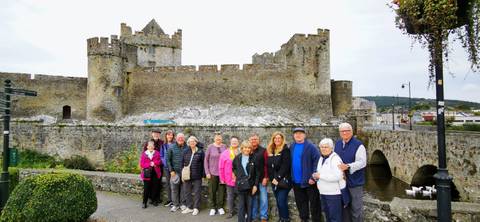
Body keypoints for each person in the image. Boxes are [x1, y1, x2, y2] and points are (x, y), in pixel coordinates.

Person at [334, 123, 366, 222]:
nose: (345, 133)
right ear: (339, 133)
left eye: (347, 130)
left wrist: (348, 166)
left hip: (355, 182)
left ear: (351, 132)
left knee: (356, 209)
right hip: (342, 182)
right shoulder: (338, 144)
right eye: (342, 131)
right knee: (345, 207)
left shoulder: (358, 145)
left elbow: (362, 162)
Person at [290, 127, 323, 222]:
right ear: (293, 136)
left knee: (314, 204)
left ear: (304, 135)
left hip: (309, 181)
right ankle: (304, 219)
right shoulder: (292, 146)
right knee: (301, 203)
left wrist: (313, 177)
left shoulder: (311, 147)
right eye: (296, 133)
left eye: (300, 133)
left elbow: (317, 162)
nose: (298, 135)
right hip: (296, 181)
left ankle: (316, 220)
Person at [313, 138, 348, 222]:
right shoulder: (321, 158)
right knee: (328, 217)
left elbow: (338, 176)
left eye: (326, 147)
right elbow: (320, 172)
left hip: (333, 194)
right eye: (322, 147)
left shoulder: (335, 159)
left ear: (331, 148)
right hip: (323, 192)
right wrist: (316, 176)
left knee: (335, 218)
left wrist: (320, 176)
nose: (323, 149)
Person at [266, 132, 292, 222]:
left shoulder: (285, 150)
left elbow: (286, 166)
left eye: (279, 138)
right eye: (275, 138)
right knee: (278, 201)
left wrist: (277, 178)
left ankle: (285, 219)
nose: (277, 139)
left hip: (283, 180)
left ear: (282, 139)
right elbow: (269, 166)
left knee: (281, 201)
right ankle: (281, 218)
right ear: (273, 139)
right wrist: (272, 178)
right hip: (274, 181)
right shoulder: (271, 150)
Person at [233, 141, 259, 222]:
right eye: (245, 147)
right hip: (240, 185)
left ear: (250, 149)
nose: (247, 149)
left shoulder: (254, 157)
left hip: (250, 185)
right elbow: (233, 168)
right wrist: (236, 176)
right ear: (242, 148)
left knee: (249, 205)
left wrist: (255, 185)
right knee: (241, 206)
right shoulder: (237, 158)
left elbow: (258, 173)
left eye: (248, 148)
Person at [181, 136, 205, 216]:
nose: (192, 143)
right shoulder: (185, 151)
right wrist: (182, 174)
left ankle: (196, 208)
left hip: (197, 175)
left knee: (197, 192)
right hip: (187, 175)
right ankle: (190, 207)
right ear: (188, 143)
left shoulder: (201, 152)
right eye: (190, 142)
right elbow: (182, 163)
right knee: (187, 192)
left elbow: (203, 164)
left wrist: (203, 174)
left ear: (196, 142)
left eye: (193, 141)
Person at [205, 133, 227, 216]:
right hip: (212, 173)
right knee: (212, 191)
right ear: (214, 139)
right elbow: (205, 160)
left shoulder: (224, 147)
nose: (218, 139)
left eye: (220, 138)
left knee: (222, 191)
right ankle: (213, 208)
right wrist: (207, 172)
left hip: (222, 174)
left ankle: (220, 207)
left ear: (221, 139)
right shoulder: (210, 147)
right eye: (217, 138)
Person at [219, 136, 241, 219]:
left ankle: (240, 211)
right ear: (230, 142)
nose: (234, 142)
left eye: (236, 141)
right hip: (229, 179)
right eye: (233, 141)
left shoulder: (241, 152)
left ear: (238, 142)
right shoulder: (225, 153)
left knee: (240, 196)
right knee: (230, 196)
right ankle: (231, 212)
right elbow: (221, 167)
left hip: (240, 179)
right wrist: (222, 178)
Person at [249, 133, 268, 222]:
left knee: (263, 199)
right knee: (254, 198)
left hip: (261, 179)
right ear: (250, 141)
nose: (254, 141)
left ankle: (263, 216)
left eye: (255, 139)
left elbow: (266, 165)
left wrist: (266, 177)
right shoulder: (248, 150)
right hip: (251, 180)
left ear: (259, 140)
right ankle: (254, 216)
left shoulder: (264, 151)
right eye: (252, 139)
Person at [167, 133, 188, 212]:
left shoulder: (188, 147)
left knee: (184, 189)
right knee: (174, 189)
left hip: (184, 172)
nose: (180, 139)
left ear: (184, 139)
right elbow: (168, 160)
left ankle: (182, 204)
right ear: (176, 138)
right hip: (174, 172)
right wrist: (171, 170)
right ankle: (175, 205)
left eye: (182, 138)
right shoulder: (171, 147)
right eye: (179, 138)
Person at [142, 130, 164, 205]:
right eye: (155, 134)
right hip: (149, 168)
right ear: (152, 134)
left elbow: (162, 155)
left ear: (159, 135)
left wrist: (156, 163)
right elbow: (144, 155)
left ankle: (156, 198)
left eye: (158, 134)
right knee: (149, 184)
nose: (156, 135)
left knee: (157, 183)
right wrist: (149, 164)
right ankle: (151, 198)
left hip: (158, 166)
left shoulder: (162, 142)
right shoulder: (148, 143)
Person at [139, 140, 162, 208]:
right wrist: (149, 164)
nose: (151, 147)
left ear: (154, 147)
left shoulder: (157, 153)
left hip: (155, 172)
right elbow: (142, 164)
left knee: (155, 187)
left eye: (152, 146)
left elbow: (160, 161)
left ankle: (154, 200)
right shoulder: (144, 154)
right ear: (147, 147)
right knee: (146, 188)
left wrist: (155, 163)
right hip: (147, 173)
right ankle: (144, 202)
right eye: (149, 146)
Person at [161, 129, 175, 207]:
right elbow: (161, 156)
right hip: (166, 168)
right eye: (168, 134)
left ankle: (175, 200)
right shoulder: (163, 146)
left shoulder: (175, 144)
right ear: (166, 136)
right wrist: (165, 163)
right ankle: (169, 200)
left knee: (174, 183)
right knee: (168, 184)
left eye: (171, 134)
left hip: (174, 168)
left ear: (173, 136)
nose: (170, 136)